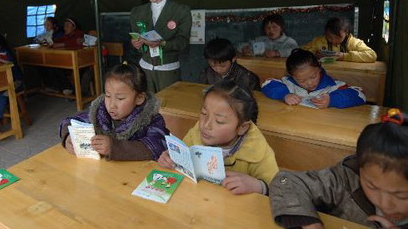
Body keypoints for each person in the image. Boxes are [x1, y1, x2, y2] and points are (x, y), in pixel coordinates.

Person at [270, 108, 408, 229]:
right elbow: (287, 181)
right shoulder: (346, 178)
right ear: (360, 167)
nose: (385, 204)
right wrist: (309, 222)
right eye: (371, 186)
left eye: (401, 195)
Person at [158, 80, 278, 195]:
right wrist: (171, 159)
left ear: (242, 128)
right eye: (204, 113)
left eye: (219, 121)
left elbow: (280, 189)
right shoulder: (196, 134)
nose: (205, 125)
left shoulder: (258, 151)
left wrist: (259, 186)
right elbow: (183, 164)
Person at [59, 62, 169, 161]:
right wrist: (68, 136)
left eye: (120, 98)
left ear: (139, 98)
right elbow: (71, 121)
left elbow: (157, 145)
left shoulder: (151, 118)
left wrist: (115, 147)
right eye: (107, 96)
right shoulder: (99, 112)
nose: (111, 105)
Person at [130, 0, 192, 93]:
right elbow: (136, 36)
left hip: (168, 70)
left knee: (168, 105)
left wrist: (162, 43)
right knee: (146, 105)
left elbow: (183, 42)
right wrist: (136, 43)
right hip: (144, 68)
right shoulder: (137, 12)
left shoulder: (181, 11)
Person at [262, 49, 366, 109]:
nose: (309, 83)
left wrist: (332, 100)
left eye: (313, 76)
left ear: (319, 68)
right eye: (302, 80)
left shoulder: (333, 86)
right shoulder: (289, 84)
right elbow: (267, 83)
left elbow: (360, 94)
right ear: (292, 76)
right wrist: (284, 95)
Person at [302, 17, 377, 63]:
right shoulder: (319, 41)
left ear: (346, 33)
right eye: (329, 37)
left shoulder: (354, 42)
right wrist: (314, 54)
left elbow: (372, 55)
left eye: (338, 37)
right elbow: (301, 51)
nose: (333, 41)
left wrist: (344, 56)